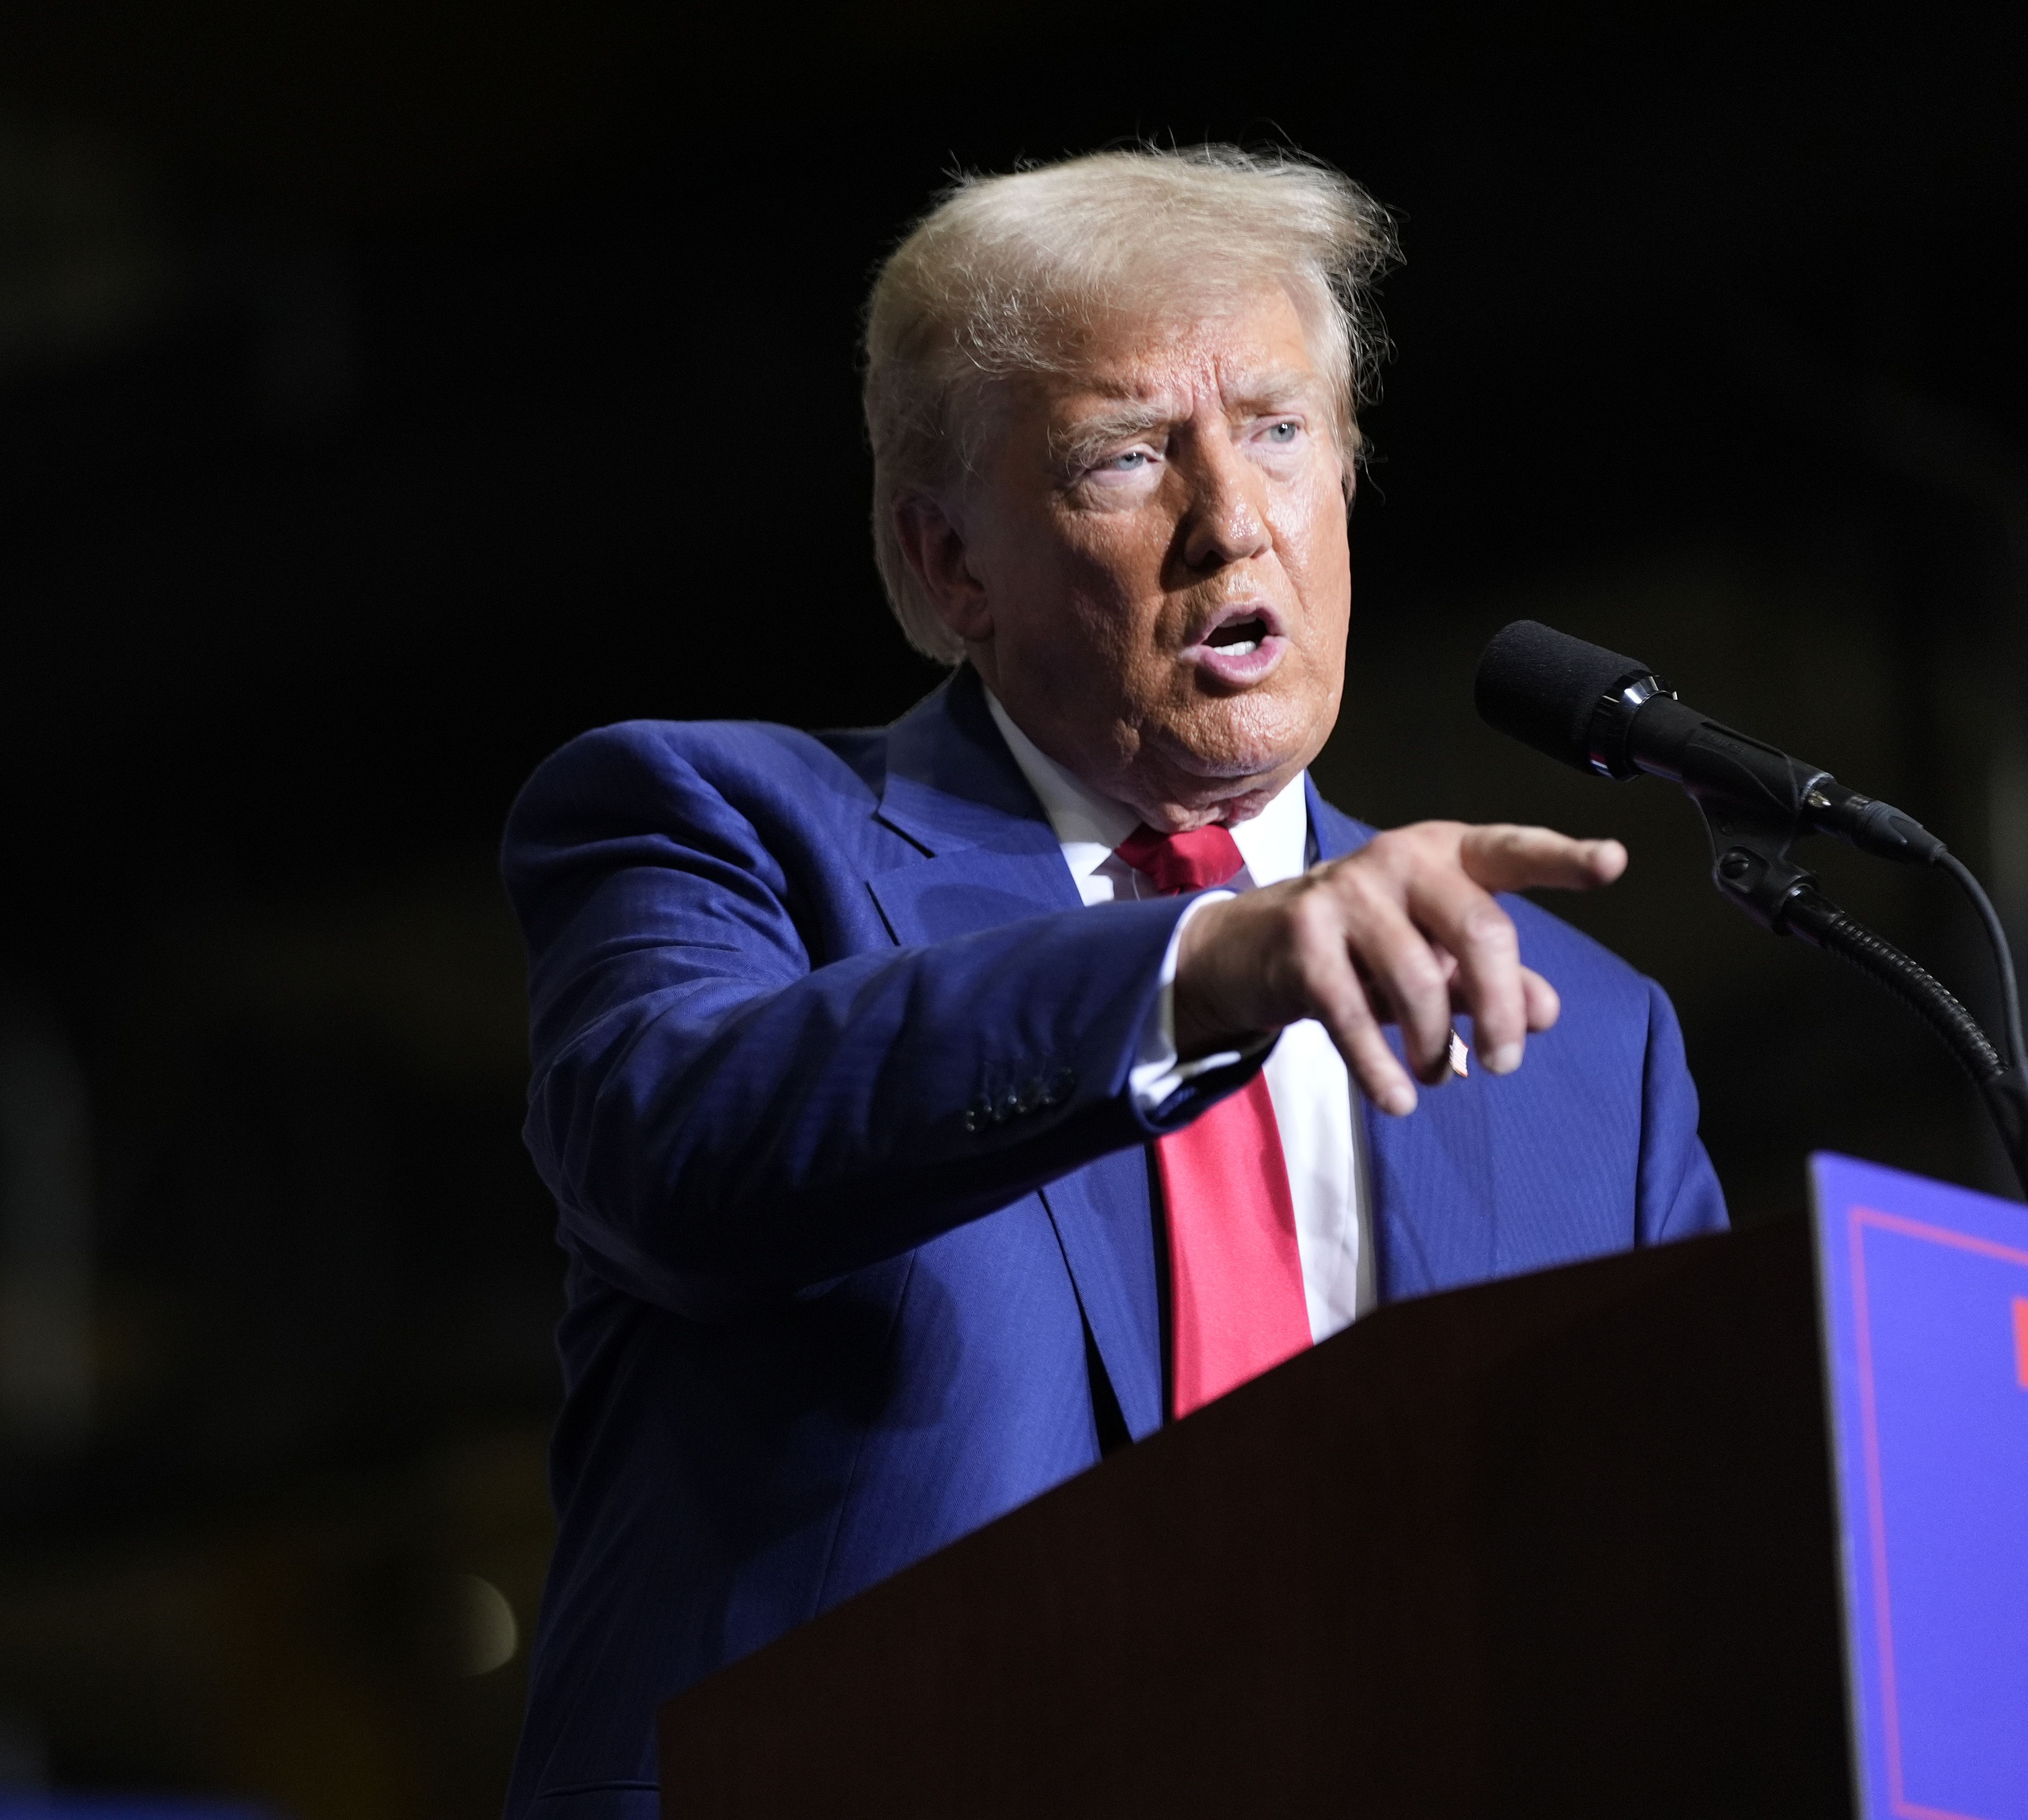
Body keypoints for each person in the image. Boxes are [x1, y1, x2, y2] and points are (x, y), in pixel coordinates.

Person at [496, 147, 1727, 1820]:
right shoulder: (724, 829)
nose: (1235, 521)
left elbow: (1684, 1575)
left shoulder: (1589, 1042)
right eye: (1128, 456)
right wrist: (1196, 966)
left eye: (1282, 432)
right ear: (950, 566)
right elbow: (671, 1140)